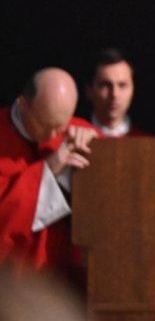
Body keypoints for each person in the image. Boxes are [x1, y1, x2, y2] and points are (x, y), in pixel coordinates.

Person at [0, 68, 97, 276]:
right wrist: (48, 170)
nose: (53, 135)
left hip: (65, 283)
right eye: (45, 125)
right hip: (12, 283)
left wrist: (99, 154)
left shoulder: (77, 132)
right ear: (24, 104)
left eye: (60, 126)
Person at [85, 49, 143, 138]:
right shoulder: (71, 139)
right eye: (105, 85)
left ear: (133, 89)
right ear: (89, 90)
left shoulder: (146, 142)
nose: (114, 94)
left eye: (122, 85)